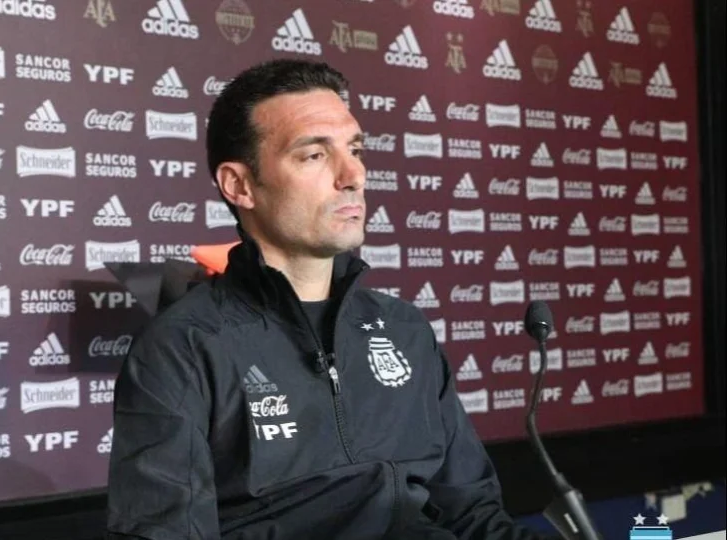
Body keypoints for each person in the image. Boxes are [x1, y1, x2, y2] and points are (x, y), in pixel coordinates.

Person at [105, 59, 549, 540]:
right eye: (314, 155)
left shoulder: (404, 329)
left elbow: (473, 517)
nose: (353, 174)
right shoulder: (183, 348)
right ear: (240, 185)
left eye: (355, 150)